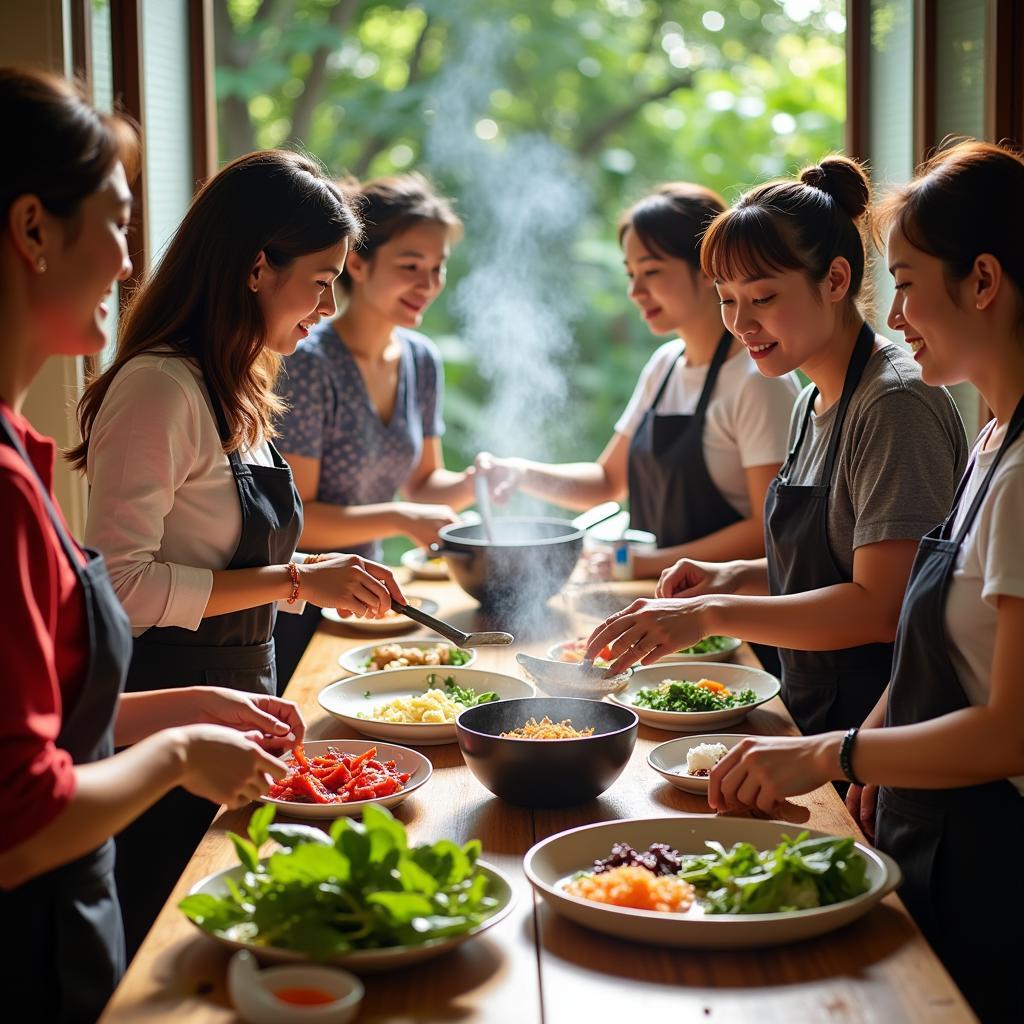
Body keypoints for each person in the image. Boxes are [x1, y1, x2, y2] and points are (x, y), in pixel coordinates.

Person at [0, 68, 301, 1022]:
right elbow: (20, 825)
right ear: (34, 230)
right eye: (119, 221)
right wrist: (174, 755)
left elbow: (43, 727)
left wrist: (177, 711)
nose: (131, 260)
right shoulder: (8, 485)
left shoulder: (19, 452)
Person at [704, 139, 1024, 1022]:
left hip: (989, 840)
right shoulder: (993, 439)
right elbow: (929, 615)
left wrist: (833, 751)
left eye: (910, 281)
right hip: (906, 792)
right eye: (728, 301)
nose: (901, 311)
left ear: (985, 281)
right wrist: (862, 748)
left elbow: (1002, 725)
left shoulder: (915, 410)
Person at [70, 149, 405, 955]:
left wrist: (300, 584)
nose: (329, 304)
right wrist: (297, 579)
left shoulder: (239, 385)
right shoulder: (159, 388)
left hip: (237, 693)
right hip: (166, 712)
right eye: (322, 279)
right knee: (174, 940)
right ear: (258, 267)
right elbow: (120, 585)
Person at [586, 156, 968, 741]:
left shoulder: (893, 403)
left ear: (835, 281)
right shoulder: (808, 398)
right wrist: (729, 576)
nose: (740, 323)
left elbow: (882, 605)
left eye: (762, 298)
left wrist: (710, 614)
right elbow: (828, 566)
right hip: (813, 714)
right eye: (726, 298)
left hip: (882, 734)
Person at [476, 183, 800, 584]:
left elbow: (764, 529)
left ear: (706, 269)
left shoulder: (758, 379)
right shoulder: (664, 366)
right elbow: (607, 480)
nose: (635, 291)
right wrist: (520, 472)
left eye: (651, 272)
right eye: (631, 274)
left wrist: (644, 563)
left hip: (729, 615)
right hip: (659, 601)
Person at [272, 173, 475, 685]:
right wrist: (403, 517)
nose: (427, 285)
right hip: (303, 600)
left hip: (376, 600)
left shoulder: (421, 358)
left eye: (437, 268)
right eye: (410, 266)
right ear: (356, 262)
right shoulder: (310, 361)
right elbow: (301, 520)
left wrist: (481, 480)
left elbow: (425, 485)